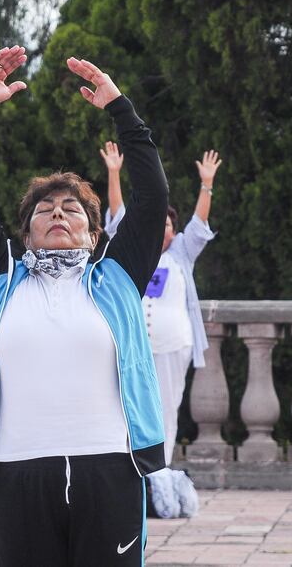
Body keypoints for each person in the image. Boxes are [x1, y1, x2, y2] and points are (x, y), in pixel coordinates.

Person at [0, 45, 167, 566]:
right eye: (44, 210)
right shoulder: (1, 277)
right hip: (18, 469)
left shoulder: (116, 276)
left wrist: (122, 110)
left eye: (72, 210)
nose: (58, 215)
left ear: (94, 235)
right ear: (27, 233)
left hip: (110, 466)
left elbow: (152, 198)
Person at [101, 144, 221, 466]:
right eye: (159, 223)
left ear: (173, 230)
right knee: (128, 405)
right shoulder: (135, 252)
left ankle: (160, 471)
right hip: (134, 344)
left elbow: (199, 224)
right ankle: (131, 466)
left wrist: (206, 183)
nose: (163, 228)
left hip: (172, 345)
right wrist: (114, 172)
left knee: (166, 406)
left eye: (168, 224)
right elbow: (118, 221)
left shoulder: (181, 253)